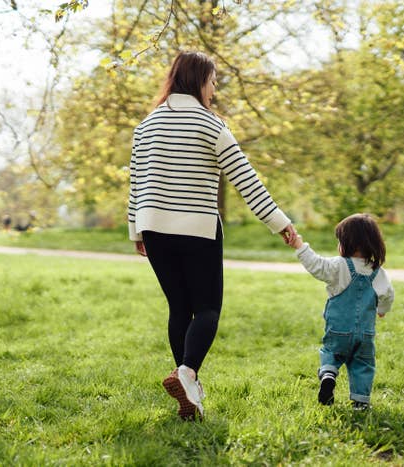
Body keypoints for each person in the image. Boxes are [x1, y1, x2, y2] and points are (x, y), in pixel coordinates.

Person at [128, 51, 298, 420]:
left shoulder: (146, 126)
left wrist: (136, 230)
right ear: (198, 81)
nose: (214, 91)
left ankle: (188, 391)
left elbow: (136, 184)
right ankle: (187, 375)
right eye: (213, 82)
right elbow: (247, 181)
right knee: (206, 309)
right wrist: (280, 223)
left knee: (179, 308)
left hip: (154, 229)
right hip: (198, 231)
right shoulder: (211, 125)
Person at [288, 213, 394, 410]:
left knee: (331, 352)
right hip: (365, 333)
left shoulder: (338, 266)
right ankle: (361, 402)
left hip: (338, 330)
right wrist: (382, 310)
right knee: (363, 364)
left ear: (347, 243)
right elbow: (388, 294)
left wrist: (300, 246)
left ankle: (328, 373)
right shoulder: (378, 271)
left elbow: (316, 265)